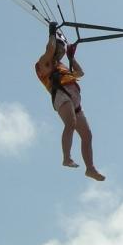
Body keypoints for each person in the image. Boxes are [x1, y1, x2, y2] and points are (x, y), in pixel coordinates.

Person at [35, 23, 104, 181]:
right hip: (61, 97)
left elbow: (80, 73)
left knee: (87, 135)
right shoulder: (45, 63)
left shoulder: (63, 67)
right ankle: (66, 158)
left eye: (62, 50)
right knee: (70, 123)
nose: (60, 52)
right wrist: (52, 33)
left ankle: (90, 169)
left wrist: (71, 58)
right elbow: (50, 49)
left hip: (75, 102)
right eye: (59, 49)